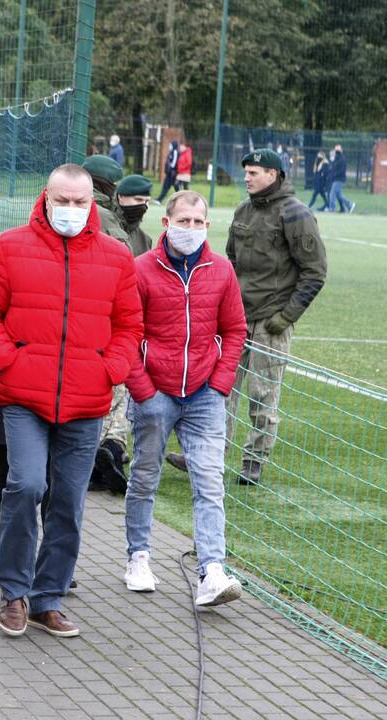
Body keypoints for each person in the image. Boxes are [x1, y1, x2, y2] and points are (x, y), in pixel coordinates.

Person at [0, 164, 142, 639]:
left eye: (79, 202)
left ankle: (48, 598)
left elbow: (130, 326)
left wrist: (112, 367)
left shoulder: (117, 257)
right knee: (24, 487)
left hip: (87, 403)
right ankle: (14, 593)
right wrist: (8, 357)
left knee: (67, 501)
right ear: (46, 198)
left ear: (92, 204)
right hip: (22, 396)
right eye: (61, 200)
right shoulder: (9, 246)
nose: (70, 209)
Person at [170, 149, 327, 484]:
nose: (247, 177)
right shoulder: (243, 210)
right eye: (247, 172)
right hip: (235, 318)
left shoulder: (296, 214)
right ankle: (208, 454)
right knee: (216, 389)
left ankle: (253, 462)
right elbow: (229, 260)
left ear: (274, 174)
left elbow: (314, 272)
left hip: (272, 321)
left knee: (263, 394)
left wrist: (285, 317)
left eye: (254, 172)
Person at [124, 190, 246, 608]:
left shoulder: (222, 270)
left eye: (198, 222)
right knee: (144, 477)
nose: (190, 229)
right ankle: (138, 556)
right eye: (183, 221)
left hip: (205, 395)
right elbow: (126, 333)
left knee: (210, 482)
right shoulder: (141, 270)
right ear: (166, 223)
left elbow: (235, 330)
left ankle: (212, 570)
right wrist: (143, 390)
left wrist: (220, 384)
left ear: (207, 226)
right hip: (154, 394)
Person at [82, 156, 132, 493]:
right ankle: (108, 451)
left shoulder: (66, 213)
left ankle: (97, 457)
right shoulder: (109, 222)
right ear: (110, 186)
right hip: (104, 318)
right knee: (114, 389)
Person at [115, 174, 154, 256]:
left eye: (147, 201)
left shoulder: (144, 240)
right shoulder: (104, 223)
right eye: (138, 199)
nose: (143, 206)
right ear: (120, 197)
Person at [328, 145, 354, 213]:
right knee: (339, 196)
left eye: (338, 150)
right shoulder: (336, 158)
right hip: (336, 179)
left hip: (339, 179)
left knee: (332, 194)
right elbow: (332, 168)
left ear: (341, 150)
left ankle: (332, 208)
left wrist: (334, 174)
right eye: (336, 150)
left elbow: (341, 170)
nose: (337, 152)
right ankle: (349, 206)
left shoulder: (342, 159)